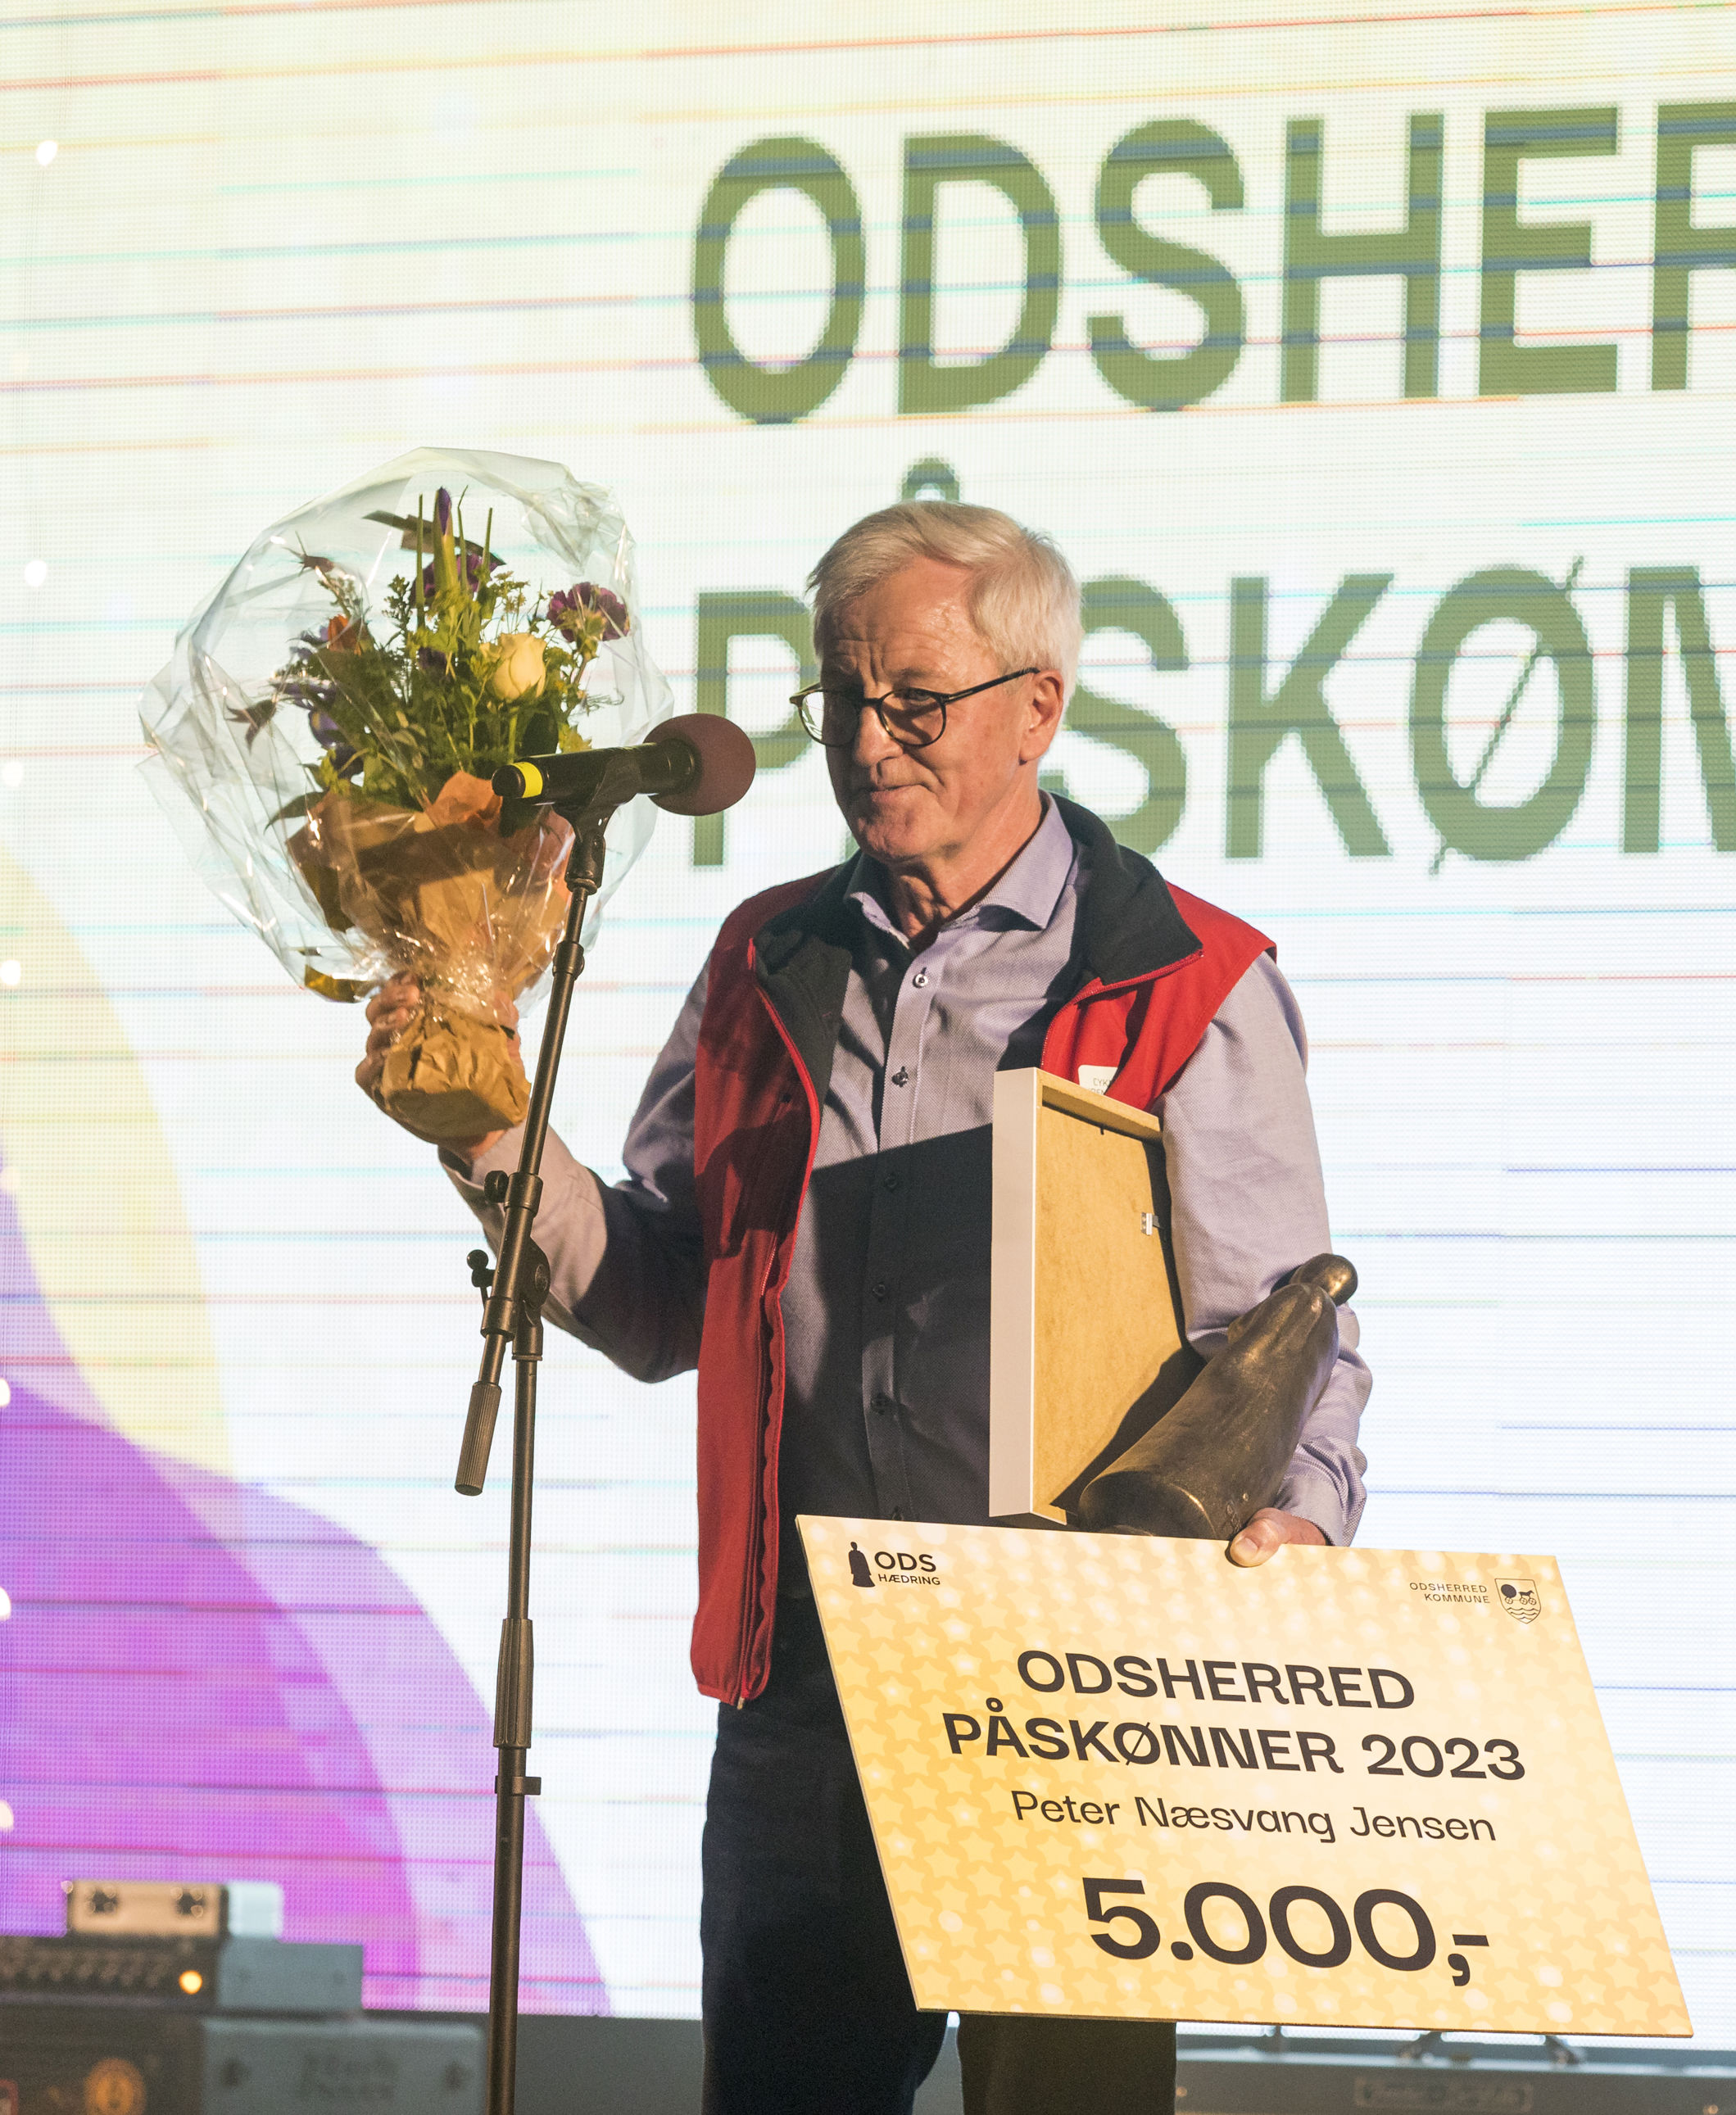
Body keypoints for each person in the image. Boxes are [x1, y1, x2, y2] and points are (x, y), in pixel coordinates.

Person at [356, 500, 1371, 2115]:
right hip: (811, 1691)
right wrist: (490, 1137)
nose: (868, 741)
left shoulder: (1189, 978)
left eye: (916, 702)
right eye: (842, 697)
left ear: (1037, 708)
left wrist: (1297, 1526)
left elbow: (1282, 1338)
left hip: (1075, 1697)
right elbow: (664, 1300)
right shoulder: (764, 961)